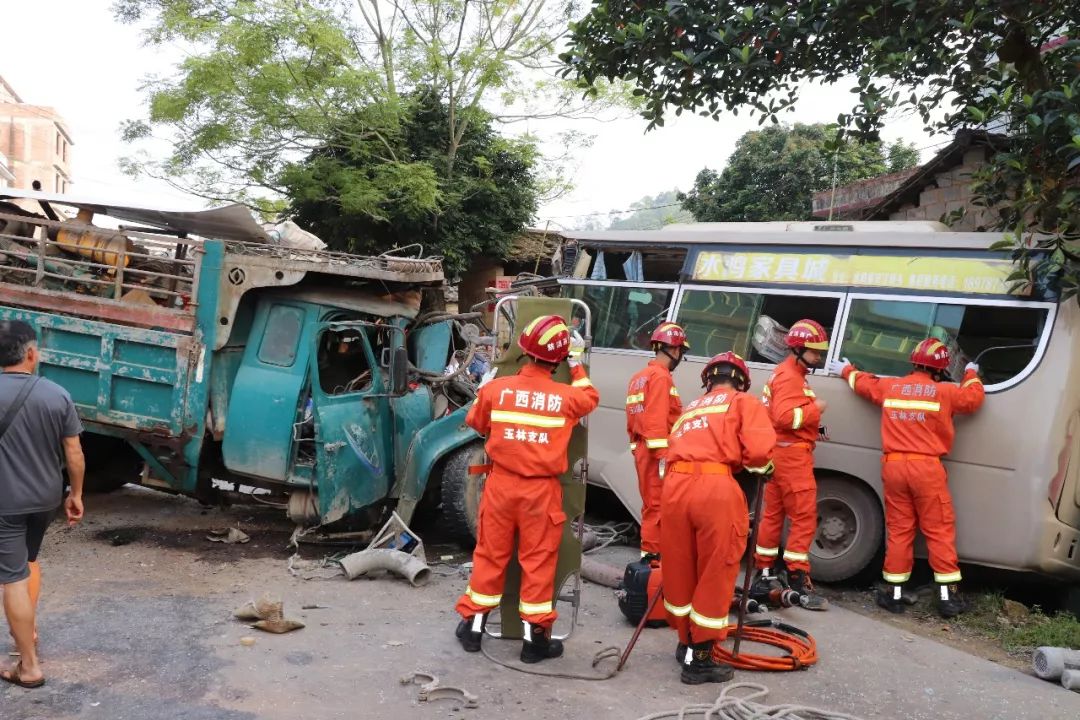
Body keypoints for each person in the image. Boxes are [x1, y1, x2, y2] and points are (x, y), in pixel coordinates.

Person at [454, 314, 599, 663]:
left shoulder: (495, 390)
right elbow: (590, 398)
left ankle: (473, 629)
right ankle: (535, 642)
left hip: (501, 486)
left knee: (490, 555)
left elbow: (474, 422)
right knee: (538, 562)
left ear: (524, 350)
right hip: (541, 492)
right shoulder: (566, 397)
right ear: (559, 358)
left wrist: (489, 385)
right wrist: (576, 366)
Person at [829, 339, 984, 617]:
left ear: (913, 362)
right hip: (926, 468)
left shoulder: (892, 387)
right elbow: (973, 399)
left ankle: (895, 594)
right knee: (938, 530)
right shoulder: (945, 392)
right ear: (941, 369)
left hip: (894, 467)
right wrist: (972, 373)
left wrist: (846, 370)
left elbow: (864, 384)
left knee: (900, 531)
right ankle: (948, 598)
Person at [661, 351, 776, 684]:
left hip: (675, 487)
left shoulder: (690, 409)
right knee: (716, 571)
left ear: (707, 381)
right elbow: (757, 455)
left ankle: (685, 643)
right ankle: (701, 659)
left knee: (682, 569)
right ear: (740, 381)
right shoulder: (743, 402)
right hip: (714, 488)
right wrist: (766, 468)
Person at [0, 320, 85, 689]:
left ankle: (29, 665)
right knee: (28, 562)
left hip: (6, 501)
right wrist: (76, 494)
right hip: (45, 499)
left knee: (12, 577)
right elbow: (74, 453)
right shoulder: (56, 394)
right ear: (31, 354)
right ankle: (27, 631)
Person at [751, 319, 830, 610]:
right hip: (792, 458)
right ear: (798, 348)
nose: (819, 357)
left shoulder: (787, 374)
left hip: (779, 453)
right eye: (814, 351)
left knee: (772, 515)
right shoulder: (790, 377)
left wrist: (815, 429)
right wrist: (816, 409)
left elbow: (782, 417)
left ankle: (765, 572)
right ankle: (797, 578)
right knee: (803, 516)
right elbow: (786, 418)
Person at [625, 322, 688, 560]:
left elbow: (633, 420)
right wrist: (663, 458)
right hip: (656, 454)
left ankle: (650, 557)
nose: (680, 355)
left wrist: (639, 449)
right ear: (674, 350)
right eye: (680, 350)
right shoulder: (660, 378)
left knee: (651, 505)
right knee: (658, 508)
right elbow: (656, 420)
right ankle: (652, 560)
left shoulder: (638, 377)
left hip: (643, 450)